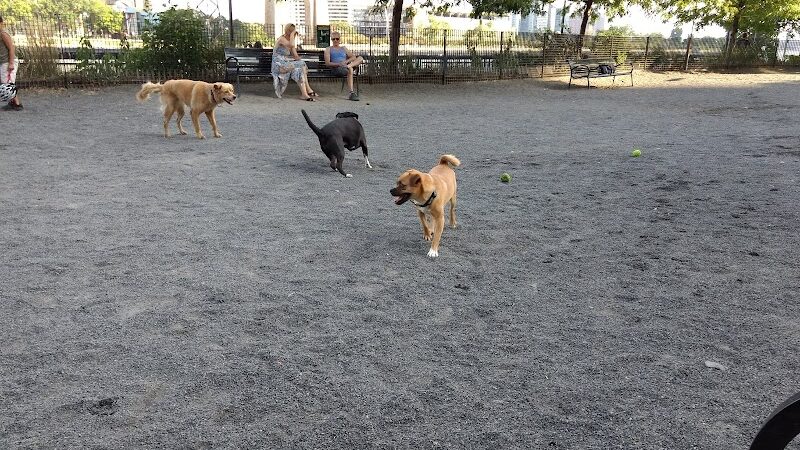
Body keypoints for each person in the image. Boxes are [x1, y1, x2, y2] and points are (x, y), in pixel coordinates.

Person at [272, 23, 318, 101]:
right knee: (302, 64)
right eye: (290, 31)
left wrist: (300, 58)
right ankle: (309, 89)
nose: (291, 33)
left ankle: (304, 94)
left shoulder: (290, 43)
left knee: (299, 69)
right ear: (287, 31)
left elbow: (296, 57)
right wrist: (293, 34)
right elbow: (292, 45)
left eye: (292, 31)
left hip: (285, 64)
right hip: (278, 65)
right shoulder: (282, 39)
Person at [324, 31, 363, 101]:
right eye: (333, 39)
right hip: (337, 68)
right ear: (331, 40)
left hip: (346, 66)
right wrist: (339, 64)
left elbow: (353, 57)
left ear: (339, 39)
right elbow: (327, 63)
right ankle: (351, 93)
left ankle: (349, 66)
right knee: (350, 70)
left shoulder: (343, 48)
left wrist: (346, 62)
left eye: (337, 39)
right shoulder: (328, 49)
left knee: (360, 58)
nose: (335, 40)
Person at [0, 15, 22, 111]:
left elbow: (11, 48)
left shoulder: (3, 34)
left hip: (7, 62)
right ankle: (12, 102)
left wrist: (11, 63)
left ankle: (17, 104)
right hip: (3, 61)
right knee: (6, 83)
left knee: (8, 84)